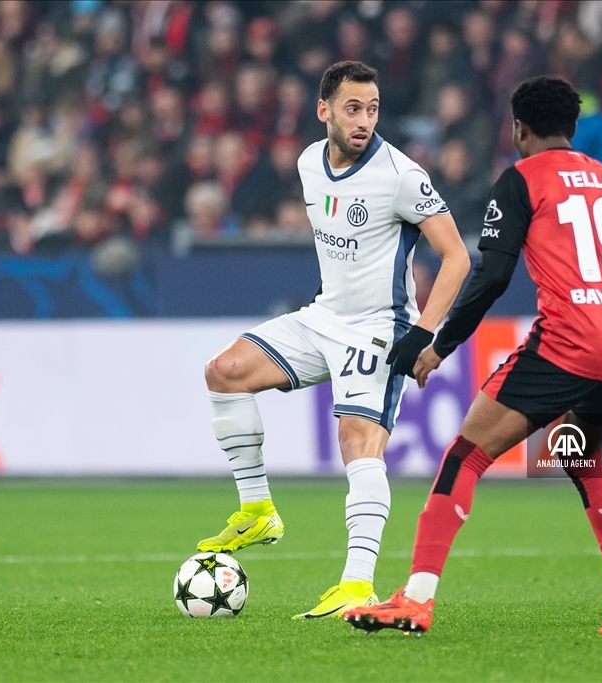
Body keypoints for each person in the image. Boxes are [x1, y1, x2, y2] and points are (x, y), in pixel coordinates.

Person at [344, 76, 602, 636]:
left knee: (465, 456)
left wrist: (440, 344)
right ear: (573, 130)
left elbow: (494, 273)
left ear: (518, 129)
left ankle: (416, 597)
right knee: (579, 455)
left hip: (570, 343)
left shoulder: (522, 179)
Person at [195, 61, 471, 619]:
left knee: (356, 443)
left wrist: (421, 333)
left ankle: (356, 586)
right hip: (325, 317)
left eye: (371, 109)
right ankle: (257, 511)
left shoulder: (400, 175)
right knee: (223, 371)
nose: (364, 120)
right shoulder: (307, 164)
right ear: (324, 111)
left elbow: (457, 257)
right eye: (352, 108)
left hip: (379, 327)